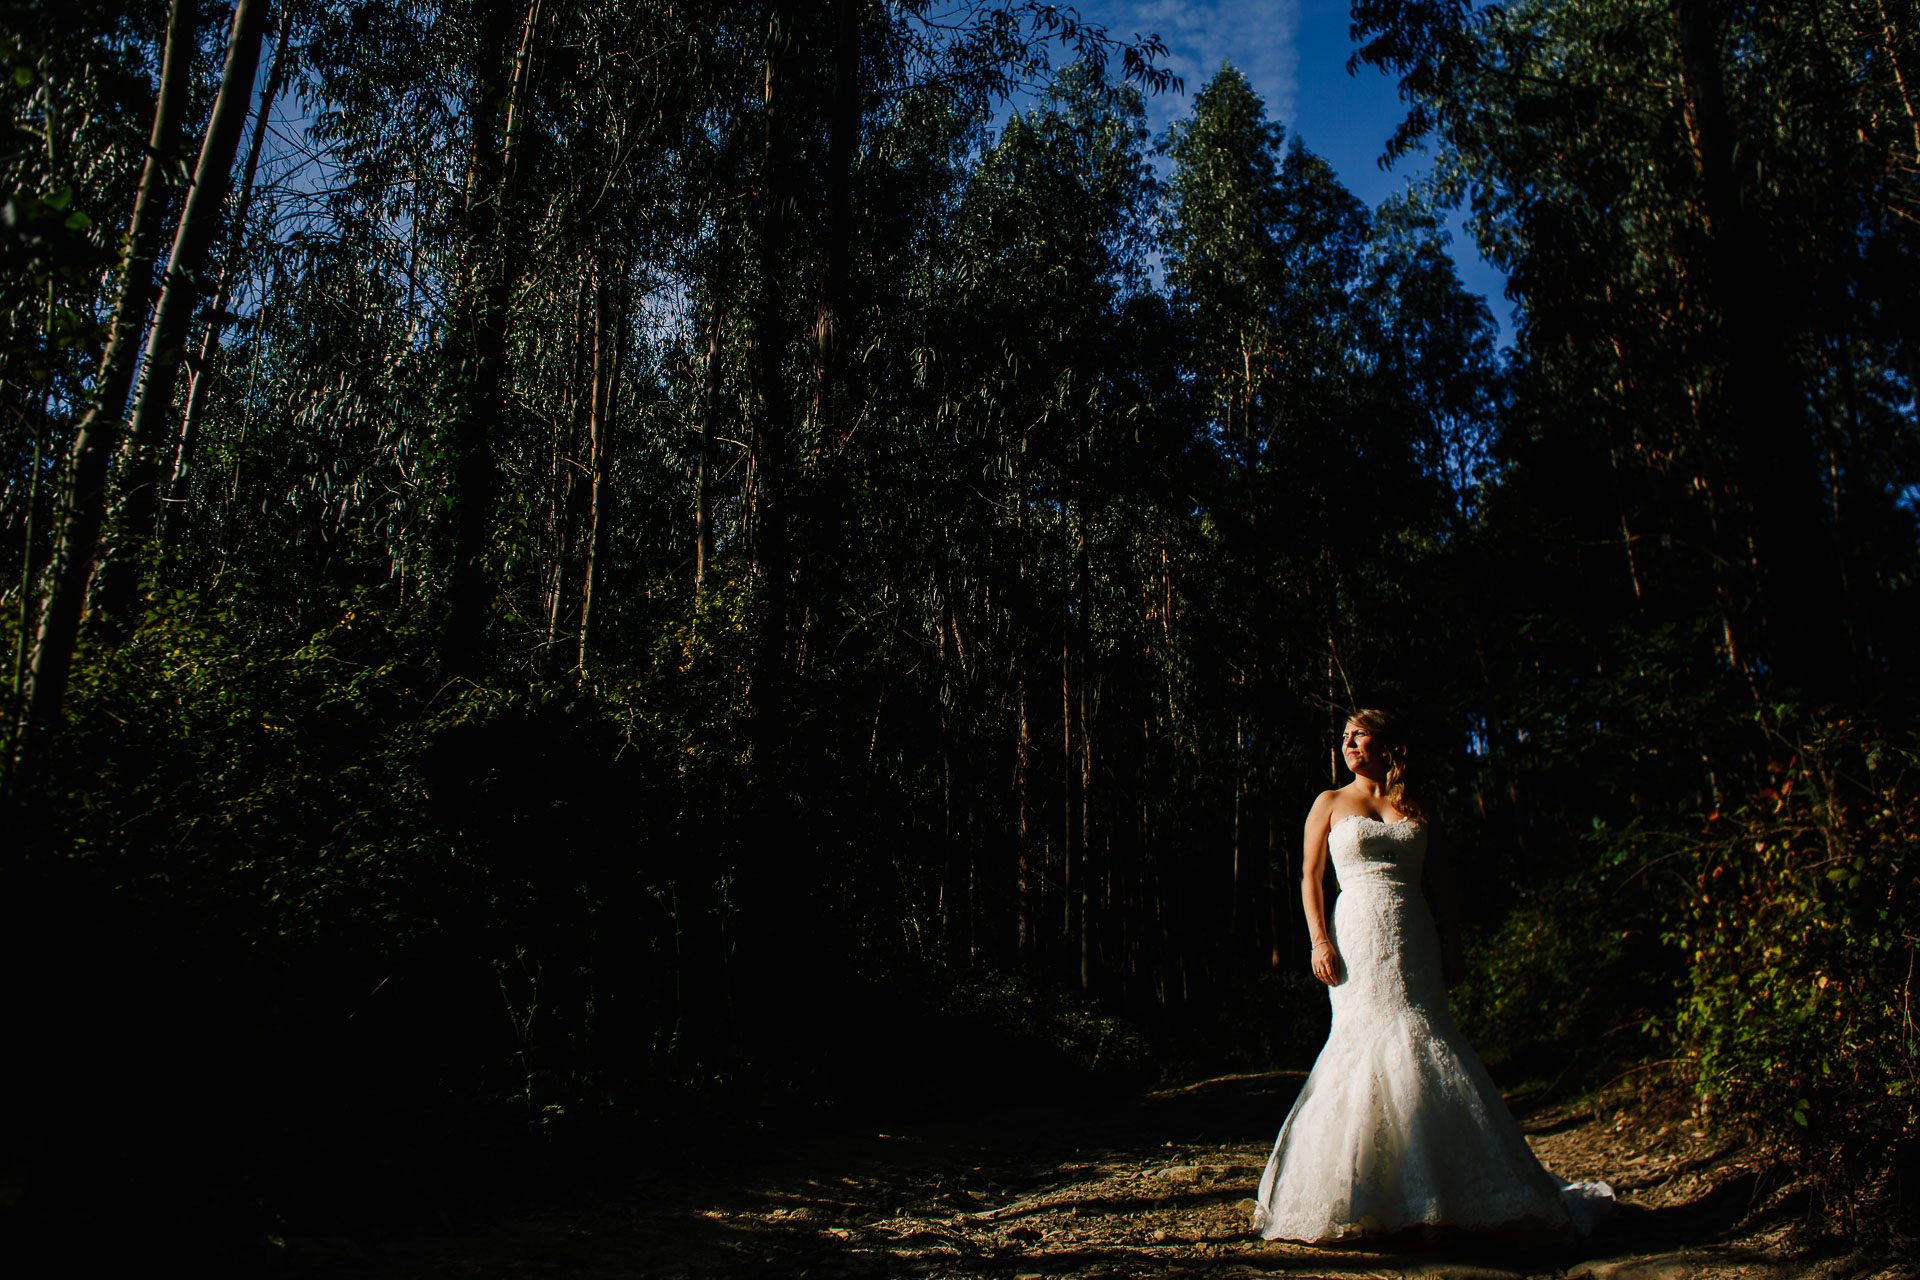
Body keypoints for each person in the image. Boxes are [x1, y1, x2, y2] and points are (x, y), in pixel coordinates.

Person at [1250, 708, 1613, 1242]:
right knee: (1360, 1042)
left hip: (1413, 933)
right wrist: (1318, 941)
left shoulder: (1416, 803)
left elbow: (1442, 879)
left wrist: (1453, 945)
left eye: (1359, 733)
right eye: (1344, 736)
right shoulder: (1328, 803)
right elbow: (1308, 876)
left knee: (1423, 1038)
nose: (1348, 742)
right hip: (1355, 936)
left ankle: (1442, 1191)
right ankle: (1363, 1195)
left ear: (1386, 743)